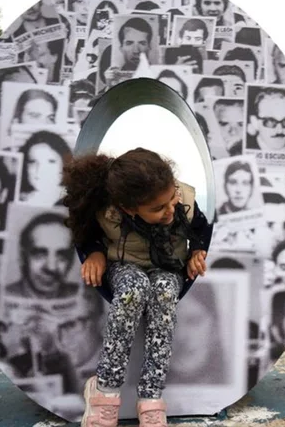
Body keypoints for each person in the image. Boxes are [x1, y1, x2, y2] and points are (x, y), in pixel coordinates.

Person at [61, 147, 213, 426]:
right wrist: (94, 253)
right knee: (133, 291)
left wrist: (197, 251)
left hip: (168, 267)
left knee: (165, 293)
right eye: (158, 208)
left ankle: (151, 396)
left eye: (171, 199)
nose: (170, 210)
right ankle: (105, 389)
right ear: (128, 208)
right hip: (124, 265)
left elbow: (202, 228)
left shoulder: (184, 200)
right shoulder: (107, 212)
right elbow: (86, 234)